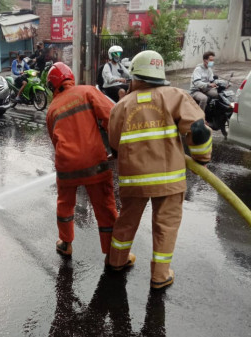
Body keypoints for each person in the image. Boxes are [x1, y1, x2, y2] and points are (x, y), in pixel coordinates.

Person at [107, 50, 213, 289]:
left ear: (135, 77)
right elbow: (198, 130)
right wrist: (201, 158)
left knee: (126, 221)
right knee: (166, 225)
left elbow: (114, 143)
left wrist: (119, 155)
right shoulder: (176, 96)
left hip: (134, 181)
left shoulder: (122, 106)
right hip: (169, 179)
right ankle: (160, 275)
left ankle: (116, 261)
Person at [45, 62, 118, 257]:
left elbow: (55, 141)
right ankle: (112, 253)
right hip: (95, 163)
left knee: (65, 204)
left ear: (52, 86)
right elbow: (112, 118)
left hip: (66, 166)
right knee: (105, 207)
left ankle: (66, 244)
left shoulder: (52, 109)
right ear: (70, 77)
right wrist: (117, 149)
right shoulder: (87, 91)